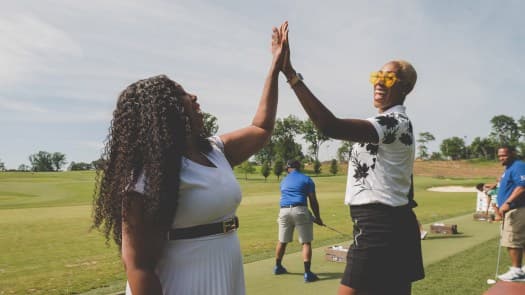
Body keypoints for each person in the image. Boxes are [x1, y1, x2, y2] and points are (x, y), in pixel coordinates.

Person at [91, 23, 288, 295]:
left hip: (224, 270)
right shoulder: (146, 177)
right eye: (182, 94)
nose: (193, 96)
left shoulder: (215, 150)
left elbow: (262, 128)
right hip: (181, 282)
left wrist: (275, 66)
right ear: (163, 112)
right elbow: (138, 266)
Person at [277, 21, 424, 294]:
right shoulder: (395, 124)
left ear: (405, 88)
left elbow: (330, 127)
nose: (379, 82)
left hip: (378, 226)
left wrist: (291, 75)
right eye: (377, 76)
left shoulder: (393, 122)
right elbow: (403, 173)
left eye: (388, 78)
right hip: (395, 222)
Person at [274, 159, 323, 282]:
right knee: (306, 242)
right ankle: (307, 273)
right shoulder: (306, 179)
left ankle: (277, 267)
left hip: (284, 211)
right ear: (298, 167)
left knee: (282, 241)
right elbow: (313, 201)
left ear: (289, 168)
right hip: (300, 210)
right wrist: (317, 217)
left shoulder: (284, 181)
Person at [495, 145, 525, 282]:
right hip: (514, 209)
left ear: (513, 153)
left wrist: (507, 202)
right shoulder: (509, 168)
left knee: (513, 240)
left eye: (504, 155)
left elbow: (522, 186)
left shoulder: (518, 165)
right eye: (500, 156)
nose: (501, 158)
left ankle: (516, 271)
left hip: (516, 209)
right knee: (520, 239)